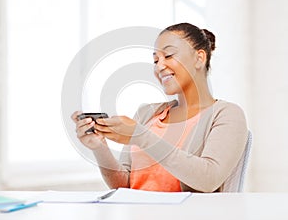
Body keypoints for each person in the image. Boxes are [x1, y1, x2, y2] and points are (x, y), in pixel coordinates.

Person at [71, 22, 248, 193]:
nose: (160, 66)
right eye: (156, 60)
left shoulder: (227, 114)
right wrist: (99, 147)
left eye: (169, 56)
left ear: (199, 58)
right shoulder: (146, 113)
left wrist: (141, 137)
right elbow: (124, 186)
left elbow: (208, 179)